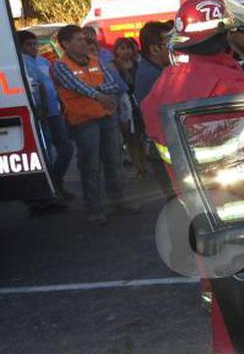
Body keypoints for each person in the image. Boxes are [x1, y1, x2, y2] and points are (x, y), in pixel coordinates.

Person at [140, 0, 244, 354]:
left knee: (220, 303)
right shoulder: (232, 87)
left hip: (200, 217)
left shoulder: (165, 84)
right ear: (225, 36)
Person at [51, 25, 136, 224]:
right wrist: (99, 94)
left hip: (107, 116)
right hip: (84, 122)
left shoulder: (96, 61)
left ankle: (119, 200)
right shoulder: (60, 66)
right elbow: (75, 86)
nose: (85, 42)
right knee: (90, 165)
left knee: (113, 160)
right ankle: (94, 209)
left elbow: (113, 84)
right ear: (65, 44)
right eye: (79, 39)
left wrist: (96, 90)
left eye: (84, 38)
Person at [18, 30, 74, 203]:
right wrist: (41, 107)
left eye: (35, 44)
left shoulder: (43, 61)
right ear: (20, 47)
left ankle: (56, 182)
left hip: (54, 111)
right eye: (29, 44)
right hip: (39, 114)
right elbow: (38, 85)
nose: (34, 47)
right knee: (46, 152)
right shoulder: (22, 63)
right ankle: (47, 193)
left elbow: (54, 84)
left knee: (66, 148)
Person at [133, 21, 175, 197]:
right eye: (168, 44)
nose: (172, 48)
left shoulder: (158, 69)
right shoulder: (152, 75)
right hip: (164, 150)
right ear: (154, 49)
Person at [112, 37, 148, 178]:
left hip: (139, 102)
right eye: (122, 48)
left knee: (142, 137)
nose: (126, 51)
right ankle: (138, 167)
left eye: (128, 48)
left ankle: (144, 165)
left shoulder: (137, 63)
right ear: (116, 50)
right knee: (131, 138)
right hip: (125, 104)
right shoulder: (113, 65)